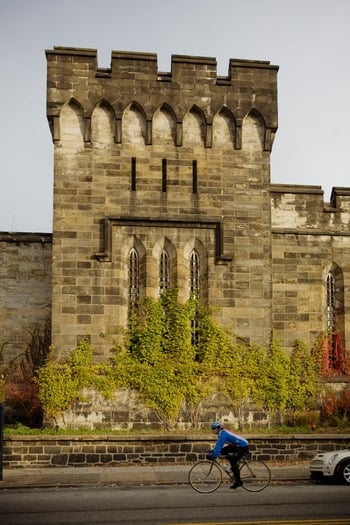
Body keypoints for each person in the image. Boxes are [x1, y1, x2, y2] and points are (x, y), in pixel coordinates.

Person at [206, 421, 249, 489]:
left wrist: (213, 455)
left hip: (242, 446)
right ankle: (233, 466)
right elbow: (218, 445)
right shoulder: (221, 433)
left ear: (218, 428)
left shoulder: (223, 434)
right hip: (237, 445)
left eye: (213, 428)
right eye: (212, 428)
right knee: (223, 451)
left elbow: (219, 446)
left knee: (233, 461)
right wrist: (213, 451)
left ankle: (238, 481)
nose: (212, 430)